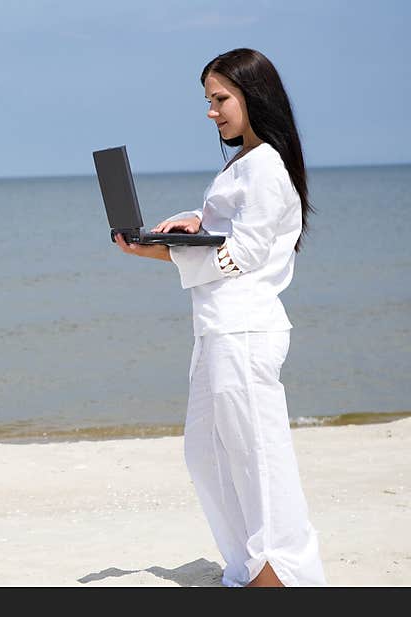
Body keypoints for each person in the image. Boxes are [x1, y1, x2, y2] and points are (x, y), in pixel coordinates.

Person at [113, 48, 326, 587]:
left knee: (257, 452)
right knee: (206, 454)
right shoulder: (242, 164)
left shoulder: (268, 167)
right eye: (208, 101)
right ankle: (249, 564)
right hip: (216, 326)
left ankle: (279, 573)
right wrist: (184, 227)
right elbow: (225, 234)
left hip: (245, 327)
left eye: (221, 99)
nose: (212, 112)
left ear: (254, 96)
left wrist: (165, 248)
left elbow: (242, 255)